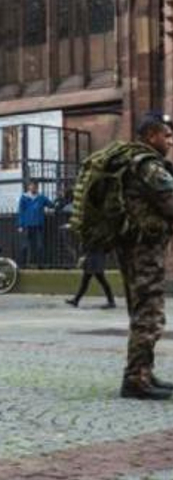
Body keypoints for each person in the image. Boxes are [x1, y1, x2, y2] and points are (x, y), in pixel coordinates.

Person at [116, 113, 173, 400]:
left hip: (138, 250)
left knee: (145, 312)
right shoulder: (149, 166)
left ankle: (143, 373)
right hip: (144, 252)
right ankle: (135, 379)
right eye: (167, 135)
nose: (170, 141)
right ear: (151, 136)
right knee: (148, 315)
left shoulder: (136, 163)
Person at [17, 180, 54, 267]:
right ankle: (22, 264)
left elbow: (51, 204)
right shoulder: (24, 197)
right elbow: (21, 212)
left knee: (40, 246)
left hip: (38, 225)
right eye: (32, 185)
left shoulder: (41, 197)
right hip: (27, 225)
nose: (33, 187)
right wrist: (20, 225)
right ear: (29, 187)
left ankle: (40, 264)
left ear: (37, 187)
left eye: (35, 186)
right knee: (25, 246)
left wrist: (56, 202)